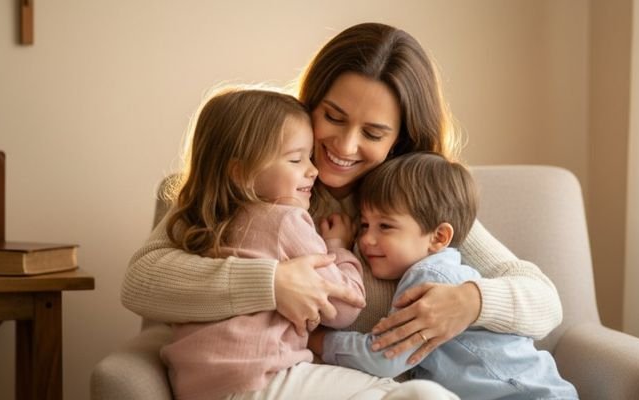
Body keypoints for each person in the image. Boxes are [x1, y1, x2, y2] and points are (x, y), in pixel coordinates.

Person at [123, 21, 562, 380]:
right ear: (310, 103)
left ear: (400, 141)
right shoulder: (253, 183)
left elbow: (544, 300)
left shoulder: (415, 202)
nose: (345, 146)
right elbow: (142, 281)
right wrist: (270, 284)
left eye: (373, 133)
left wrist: (471, 301)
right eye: (333, 117)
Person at [159, 88, 458, 400]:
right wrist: (337, 245)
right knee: (415, 395)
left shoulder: (202, 222)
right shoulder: (286, 219)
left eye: (372, 132)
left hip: (194, 385)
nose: (312, 170)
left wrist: (475, 300)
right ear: (241, 173)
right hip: (261, 377)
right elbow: (344, 306)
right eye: (295, 159)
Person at [307, 152, 578, 400]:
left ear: (439, 237)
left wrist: (319, 341)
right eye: (364, 225)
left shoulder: (428, 277)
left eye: (385, 226)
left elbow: (386, 356)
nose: (366, 239)